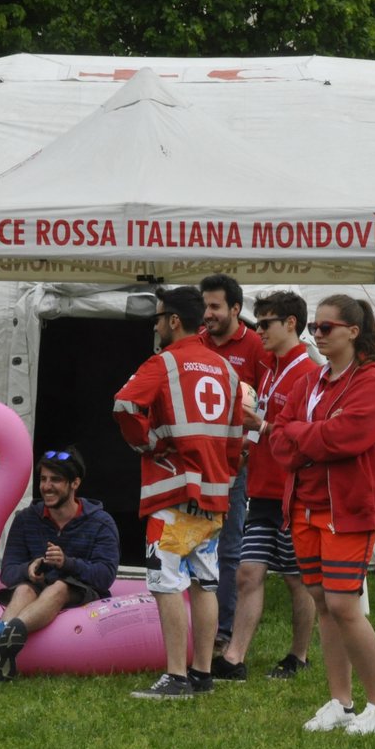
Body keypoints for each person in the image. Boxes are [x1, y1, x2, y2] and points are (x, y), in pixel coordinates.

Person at [269, 294, 375, 734]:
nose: (317, 335)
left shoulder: (372, 379)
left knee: (344, 604)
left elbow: (348, 437)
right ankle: (341, 702)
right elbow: (278, 441)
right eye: (314, 329)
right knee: (323, 602)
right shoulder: (311, 381)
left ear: (352, 332)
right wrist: (312, 436)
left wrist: (304, 435)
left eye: (326, 328)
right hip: (304, 505)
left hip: (349, 508)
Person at [114, 285, 242, 699]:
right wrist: (225, 474)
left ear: (172, 321)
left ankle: (176, 676)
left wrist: (148, 444)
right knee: (205, 583)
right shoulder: (227, 370)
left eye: (158, 318)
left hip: (172, 495)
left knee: (167, 583)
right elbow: (237, 435)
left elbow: (124, 405)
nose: (155, 326)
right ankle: (202, 673)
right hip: (213, 496)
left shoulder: (164, 362)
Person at [211, 290, 321, 682]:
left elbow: (305, 434)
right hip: (262, 486)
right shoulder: (272, 368)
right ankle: (234, 658)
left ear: (291, 323)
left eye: (266, 324)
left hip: (294, 491)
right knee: (248, 573)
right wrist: (247, 443)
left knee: (297, 578)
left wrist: (260, 427)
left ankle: (299, 654)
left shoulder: (309, 371)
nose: (259, 332)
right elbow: (266, 420)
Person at [0, 447, 120, 681]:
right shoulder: (25, 519)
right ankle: (6, 646)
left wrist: (67, 563)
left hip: (80, 590)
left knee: (59, 587)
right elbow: (8, 571)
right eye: (43, 479)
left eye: (56, 480)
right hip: (37, 588)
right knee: (23, 588)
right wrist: (28, 568)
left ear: (75, 483)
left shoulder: (101, 523)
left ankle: (0, 632)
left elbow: (105, 575)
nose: (46, 486)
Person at [199, 273, 274, 653]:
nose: (207, 314)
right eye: (205, 306)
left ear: (235, 309)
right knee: (191, 545)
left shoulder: (257, 348)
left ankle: (223, 630)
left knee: (228, 549)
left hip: (235, 468)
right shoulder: (195, 343)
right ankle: (194, 625)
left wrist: (249, 446)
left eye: (215, 307)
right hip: (196, 467)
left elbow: (268, 406)